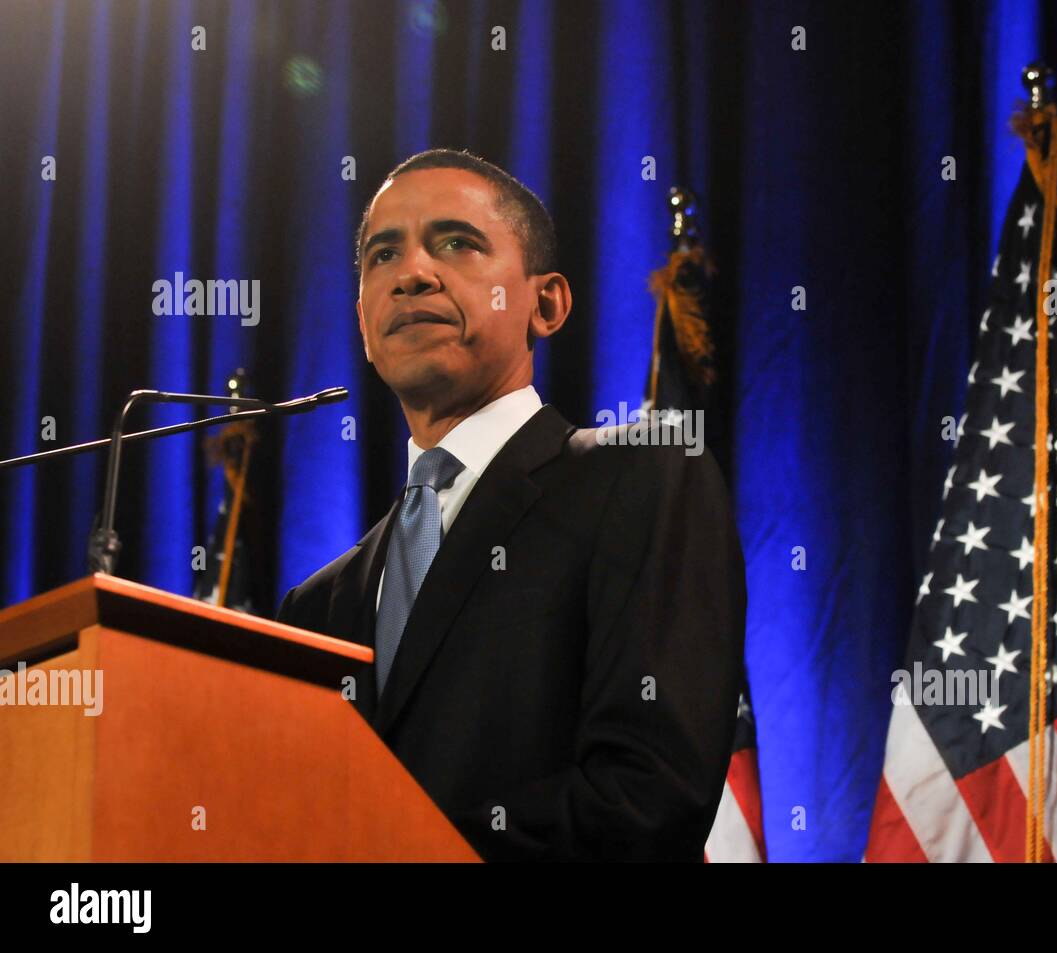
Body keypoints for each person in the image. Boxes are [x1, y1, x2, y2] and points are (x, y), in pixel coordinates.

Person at [276, 148, 747, 861]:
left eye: (457, 243)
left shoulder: (642, 481)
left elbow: (646, 795)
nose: (413, 274)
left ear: (546, 302)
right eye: (382, 256)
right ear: (364, 320)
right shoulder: (314, 606)